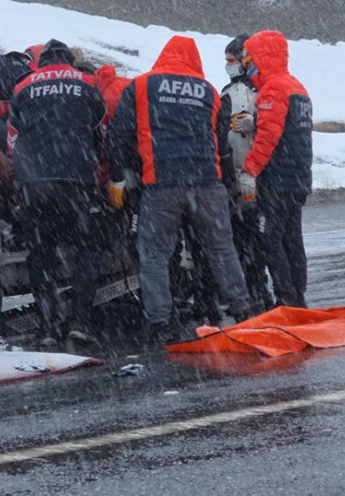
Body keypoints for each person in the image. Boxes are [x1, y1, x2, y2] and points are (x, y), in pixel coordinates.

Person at [107, 36, 262, 343]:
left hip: (161, 182)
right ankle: (242, 307)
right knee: (221, 248)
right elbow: (221, 143)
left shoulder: (141, 86)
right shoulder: (208, 91)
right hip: (207, 183)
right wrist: (227, 184)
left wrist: (118, 178)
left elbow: (118, 135)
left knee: (154, 254)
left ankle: (159, 321)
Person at [8, 39, 107, 345]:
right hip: (76, 180)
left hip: (34, 184)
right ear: (68, 60)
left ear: (42, 62)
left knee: (41, 254)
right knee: (88, 248)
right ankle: (79, 322)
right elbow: (100, 129)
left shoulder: (22, 86)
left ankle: (49, 326)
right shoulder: (88, 83)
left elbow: (11, 138)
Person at [238, 30, 313, 308]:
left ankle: (285, 296)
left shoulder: (272, 89)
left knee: (271, 239)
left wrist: (250, 171)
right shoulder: (297, 87)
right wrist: (257, 120)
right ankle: (298, 294)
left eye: (249, 61)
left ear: (260, 58)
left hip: (278, 180)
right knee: (294, 238)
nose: (247, 68)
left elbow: (269, 137)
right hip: (298, 177)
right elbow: (288, 129)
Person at [217, 34, 275, 309]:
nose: (227, 65)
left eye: (231, 60)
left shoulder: (260, 90)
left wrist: (256, 123)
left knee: (256, 239)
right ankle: (253, 293)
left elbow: (275, 128)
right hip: (236, 174)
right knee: (243, 239)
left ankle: (260, 292)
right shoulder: (227, 93)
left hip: (255, 173)